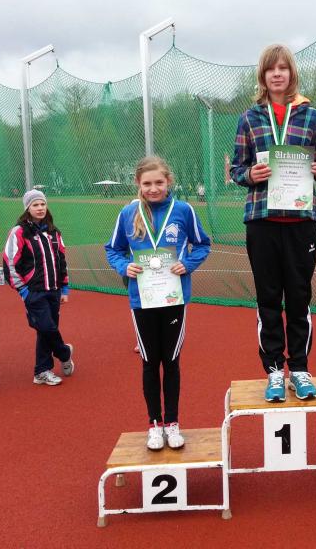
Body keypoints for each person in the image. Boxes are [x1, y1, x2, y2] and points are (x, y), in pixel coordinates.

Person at [230, 43, 316, 402]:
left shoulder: (312, 117)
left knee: (299, 297)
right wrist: (250, 174)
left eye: (283, 68)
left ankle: (300, 368)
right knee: (268, 298)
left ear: (291, 73)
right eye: (271, 69)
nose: (277, 74)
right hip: (262, 221)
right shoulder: (249, 118)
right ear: (263, 75)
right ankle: (274, 370)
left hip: (301, 220)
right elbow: (236, 169)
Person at [105, 156, 211, 450]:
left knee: (171, 362)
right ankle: (154, 424)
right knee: (150, 362)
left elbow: (202, 244)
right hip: (142, 300)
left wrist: (187, 264)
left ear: (168, 182)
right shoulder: (128, 213)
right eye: (147, 183)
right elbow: (113, 249)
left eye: (159, 183)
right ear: (138, 184)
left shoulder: (183, 210)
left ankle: (173, 423)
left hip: (174, 298)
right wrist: (124, 266)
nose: (153, 189)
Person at [3, 190, 74, 386]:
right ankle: (64, 353)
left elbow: (61, 260)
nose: (40, 208)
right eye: (35, 205)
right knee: (46, 327)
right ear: (28, 208)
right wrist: (23, 290)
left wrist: (64, 288)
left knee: (46, 331)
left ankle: (41, 372)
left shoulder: (54, 232)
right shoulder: (19, 232)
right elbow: (10, 262)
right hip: (33, 291)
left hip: (54, 290)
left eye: (42, 204)